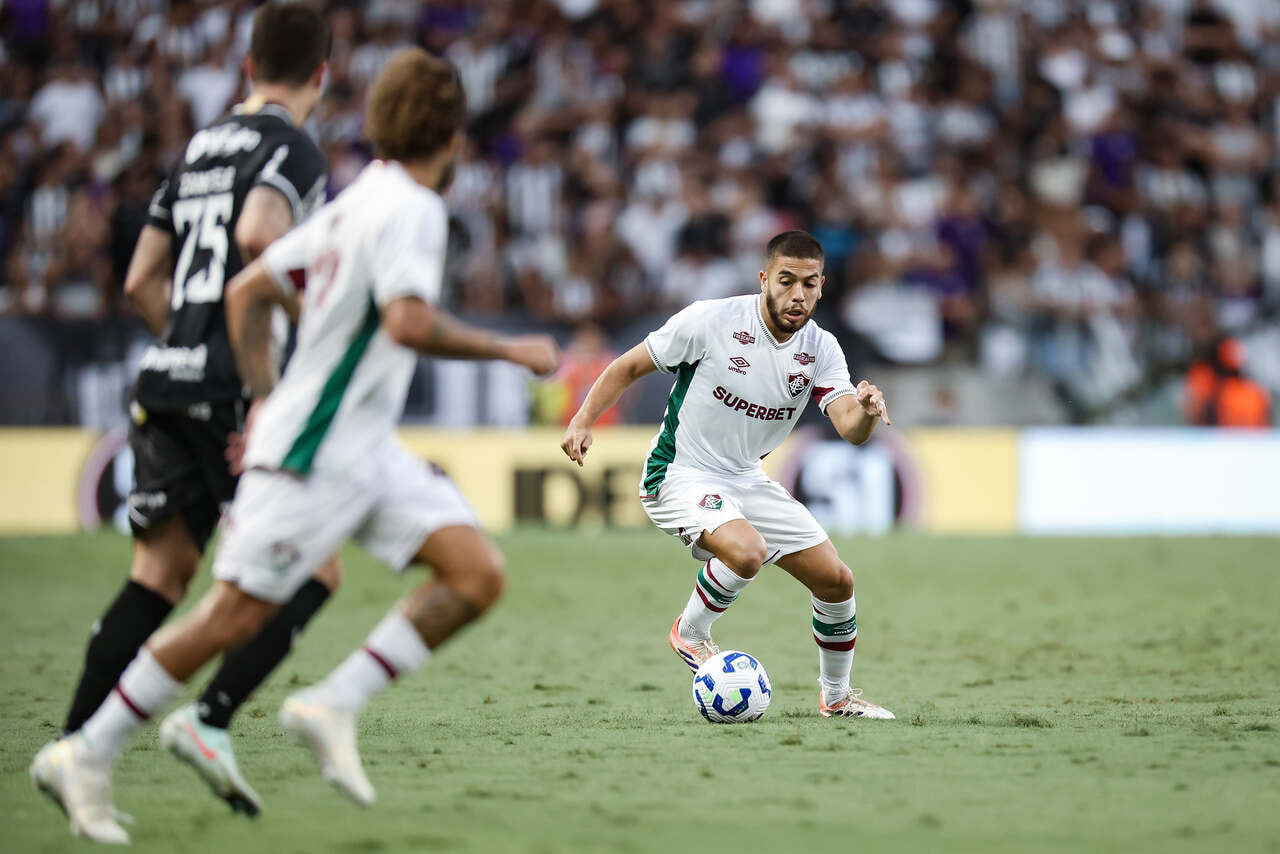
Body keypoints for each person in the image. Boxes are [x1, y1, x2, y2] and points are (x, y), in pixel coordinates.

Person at [31, 46, 559, 845]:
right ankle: (86, 753)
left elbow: (250, 290)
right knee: (230, 616)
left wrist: (265, 394)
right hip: (315, 449)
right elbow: (406, 322)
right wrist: (511, 349)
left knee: (476, 572)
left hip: (359, 447)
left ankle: (332, 704)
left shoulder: (359, 197)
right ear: (452, 137)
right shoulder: (414, 209)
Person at [44, 2, 340, 820]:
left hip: (165, 380)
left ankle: (72, 752)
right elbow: (258, 234)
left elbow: (141, 279)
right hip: (231, 392)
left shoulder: (199, 146)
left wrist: (187, 342)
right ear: (322, 74)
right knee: (315, 568)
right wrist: (267, 361)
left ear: (248, 67)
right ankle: (209, 719)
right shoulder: (293, 149)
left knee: (161, 574)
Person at [561, 230, 896, 720]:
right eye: (786, 281)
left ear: (822, 286)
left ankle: (837, 698)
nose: (797, 295)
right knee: (746, 551)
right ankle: (690, 632)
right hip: (679, 472)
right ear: (764, 279)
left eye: (809, 284)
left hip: (745, 479)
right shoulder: (711, 320)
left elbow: (851, 428)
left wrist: (865, 410)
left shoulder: (821, 348)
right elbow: (629, 366)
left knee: (836, 581)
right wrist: (582, 420)